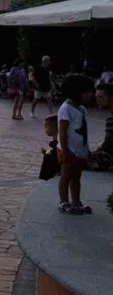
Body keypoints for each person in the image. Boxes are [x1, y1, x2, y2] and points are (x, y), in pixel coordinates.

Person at [56, 74, 94, 214]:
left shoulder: (82, 109)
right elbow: (62, 131)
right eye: (87, 92)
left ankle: (76, 201)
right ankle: (64, 201)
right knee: (66, 175)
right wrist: (65, 151)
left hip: (80, 150)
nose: (91, 94)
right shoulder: (65, 108)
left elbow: (82, 131)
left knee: (77, 177)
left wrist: (86, 149)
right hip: (69, 150)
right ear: (76, 92)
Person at [86, 83, 112, 171]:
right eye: (96, 97)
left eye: (101, 97)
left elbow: (109, 143)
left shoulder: (111, 118)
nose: (97, 100)